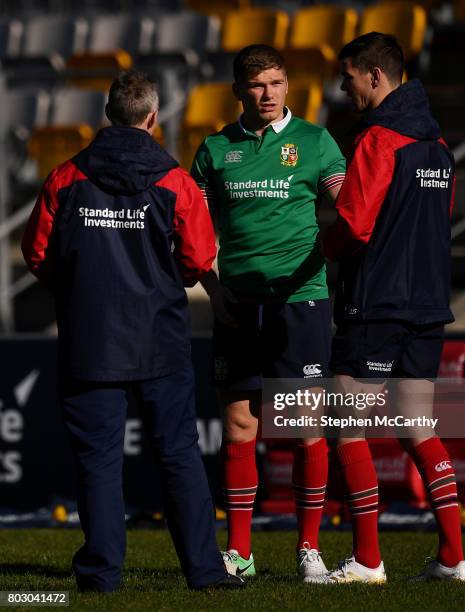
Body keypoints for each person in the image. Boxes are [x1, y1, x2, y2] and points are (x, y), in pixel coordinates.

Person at [21, 70, 244, 592]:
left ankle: (101, 576)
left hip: (90, 342)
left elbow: (37, 255)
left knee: (98, 464)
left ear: (108, 116)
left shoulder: (65, 178)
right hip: (159, 341)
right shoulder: (174, 182)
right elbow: (196, 260)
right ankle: (205, 572)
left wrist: (77, 289)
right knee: (179, 457)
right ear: (152, 119)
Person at [305, 32, 465, 585]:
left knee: (347, 430)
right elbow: (441, 216)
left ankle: (368, 560)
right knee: (417, 426)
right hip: (428, 305)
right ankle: (452, 558)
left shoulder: (378, 139)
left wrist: (316, 251)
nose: (342, 87)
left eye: (348, 76)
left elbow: (353, 224)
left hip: (375, 303)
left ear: (375, 75)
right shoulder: (439, 146)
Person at [190, 44, 346, 580]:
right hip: (237, 304)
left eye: (276, 83)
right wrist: (212, 288)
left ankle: (309, 549)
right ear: (238, 91)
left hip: (300, 303)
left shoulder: (316, 141)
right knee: (239, 427)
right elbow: (189, 230)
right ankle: (240, 553)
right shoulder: (213, 150)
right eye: (257, 85)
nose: (267, 94)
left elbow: (348, 206)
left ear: (288, 87)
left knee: (305, 428)